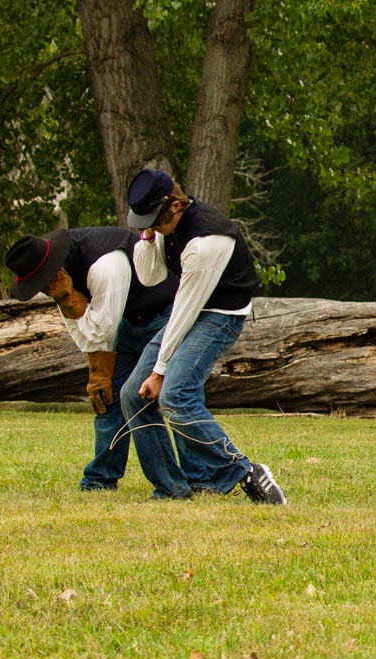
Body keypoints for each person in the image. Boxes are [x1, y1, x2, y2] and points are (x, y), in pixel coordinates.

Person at [120, 168, 287, 505]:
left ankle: (246, 472)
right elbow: (150, 276)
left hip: (219, 316)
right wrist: (149, 239)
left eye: (154, 221)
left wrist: (159, 371)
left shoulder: (206, 240)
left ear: (176, 206)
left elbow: (185, 308)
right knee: (131, 396)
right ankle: (173, 487)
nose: (150, 227)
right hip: (191, 311)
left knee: (175, 394)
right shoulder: (165, 230)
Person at [2, 226, 183, 493]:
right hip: (131, 321)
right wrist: (67, 301)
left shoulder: (104, 265)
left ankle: (176, 484)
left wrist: (68, 299)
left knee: (141, 398)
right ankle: (101, 479)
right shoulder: (59, 276)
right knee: (107, 400)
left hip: (165, 317)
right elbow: (82, 329)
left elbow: (102, 330)